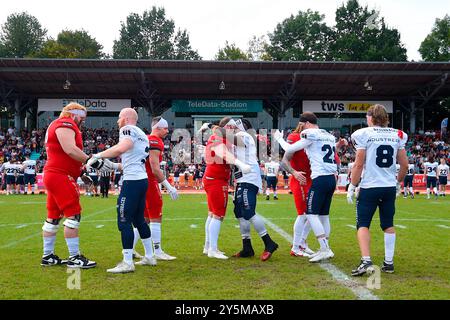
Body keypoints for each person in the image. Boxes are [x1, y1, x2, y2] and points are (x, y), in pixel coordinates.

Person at [89, 108, 156, 273]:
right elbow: (131, 160)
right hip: (141, 179)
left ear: (126, 118)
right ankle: (149, 256)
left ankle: (128, 262)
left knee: (124, 220)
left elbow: (122, 147)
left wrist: (99, 155)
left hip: (132, 182)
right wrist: (113, 165)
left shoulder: (128, 129)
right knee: (139, 220)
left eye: (119, 118)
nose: (118, 121)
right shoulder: (142, 133)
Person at [347, 104, 408, 276]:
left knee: (363, 223)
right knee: (388, 224)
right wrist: (398, 183)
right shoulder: (398, 134)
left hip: (370, 186)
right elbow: (404, 164)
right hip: (388, 186)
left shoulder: (363, 134)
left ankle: (366, 261)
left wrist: (352, 185)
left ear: (371, 117)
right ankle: (388, 263)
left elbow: (359, 163)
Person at [274, 112, 340, 263]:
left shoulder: (309, 133)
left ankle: (324, 248)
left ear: (307, 124)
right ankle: (322, 247)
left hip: (320, 178)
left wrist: (278, 138)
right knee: (323, 215)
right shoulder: (328, 135)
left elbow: (290, 148)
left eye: (303, 125)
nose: (301, 128)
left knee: (310, 214)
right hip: (331, 178)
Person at [41, 102, 96, 268]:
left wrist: (80, 173)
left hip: (55, 173)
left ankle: (47, 256)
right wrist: (91, 161)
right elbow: (69, 149)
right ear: (74, 114)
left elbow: (65, 155)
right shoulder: (65, 123)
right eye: (82, 118)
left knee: (53, 218)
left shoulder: (59, 124)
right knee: (73, 215)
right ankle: (74, 257)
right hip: (60, 175)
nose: (82, 122)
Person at [199, 119, 251, 259]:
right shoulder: (218, 137)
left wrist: (210, 126)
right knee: (218, 215)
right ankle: (212, 249)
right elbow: (222, 152)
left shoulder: (221, 136)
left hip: (214, 178)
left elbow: (238, 143)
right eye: (232, 127)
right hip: (216, 179)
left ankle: (208, 246)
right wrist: (239, 163)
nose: (234, 130)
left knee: (212, 214)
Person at [229, 118, 279, 261]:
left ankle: (269, 243)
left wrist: (215, 129)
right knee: (239, 212)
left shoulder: (243, 135)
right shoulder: (241, 136)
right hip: (242, 178)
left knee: (248, 211)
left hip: (248, 178)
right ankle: (247, 247)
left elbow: (233, 140)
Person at [132, 116, 179, 261]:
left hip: (139, 181)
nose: (167, 131)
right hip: (149, 183)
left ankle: (130, 248)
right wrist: (169, 186)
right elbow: (154, 168)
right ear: (157, 128)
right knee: (155, 217)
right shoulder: (155, 140)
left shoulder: (145, 138)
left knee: (144, 219)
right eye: (165, 128)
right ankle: (157, 251)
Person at [280, 121, 315, 258]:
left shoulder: (313, 136)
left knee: (313, 213)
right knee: (303, 214)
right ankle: (295, 247)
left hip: (311, 178)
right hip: (300, 179)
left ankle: (302, 243)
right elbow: (284, 160)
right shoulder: (295, 137)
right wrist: (294, 172)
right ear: (306, 124)